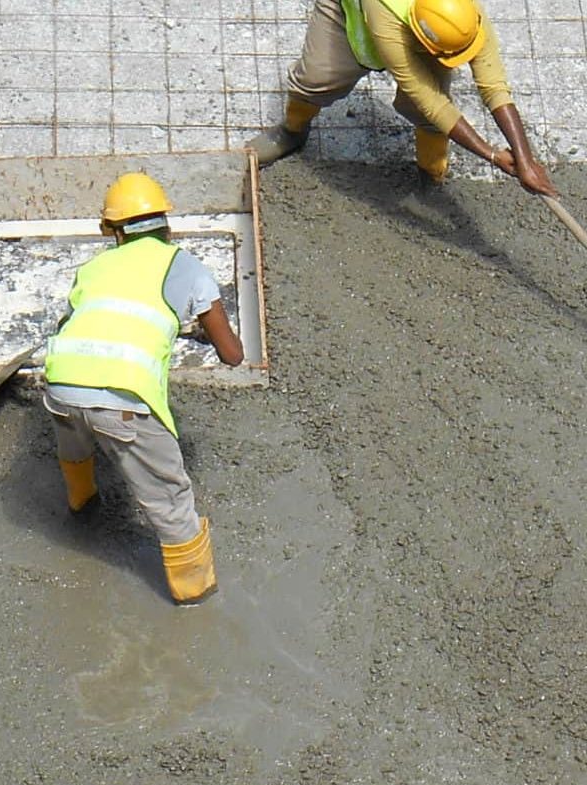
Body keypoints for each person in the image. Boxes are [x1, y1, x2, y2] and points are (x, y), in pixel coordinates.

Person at [41, 172, 244, 605]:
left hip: (60, 386)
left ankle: (82, 504)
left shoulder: (93, 268)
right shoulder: (185, 267)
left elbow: (76, 321)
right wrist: (204, 328)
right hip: (124, 400)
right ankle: (195, 596)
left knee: (76, 440)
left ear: (112, 232)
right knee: (169, 501)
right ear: (166, 224)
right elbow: (233, 355)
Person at [245, 0, 555, 195]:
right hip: (350, 14)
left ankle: (431, 173)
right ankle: (292, 132)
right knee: (316, 79)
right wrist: (492, 155)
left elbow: (494, 85)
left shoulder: (463, 14)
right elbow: (432, 103)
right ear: (419, 37)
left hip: (424, 31)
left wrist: (524, 159)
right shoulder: (387, 19)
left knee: (429, 116)